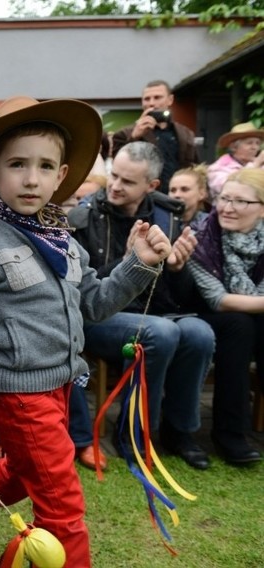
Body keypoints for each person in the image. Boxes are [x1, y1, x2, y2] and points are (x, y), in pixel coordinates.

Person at [0, 96, 172, 566]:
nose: (31, 178)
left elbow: (94, 303)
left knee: (24, 472)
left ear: (61, 176)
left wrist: (139, 264)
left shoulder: (64, 240)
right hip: (20, 398)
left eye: (45, 166)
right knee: (62, 509)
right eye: (17, 164)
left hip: (62, 386)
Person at [68, 141, 215, 471]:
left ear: (152, 186)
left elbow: (184, 297)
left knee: (199, 332)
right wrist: (126, 265)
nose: (116, 186)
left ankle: (180, 433)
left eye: (128, 181)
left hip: (159, 313)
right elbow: (80, 293)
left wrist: (178, 271)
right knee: (160, 333)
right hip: (100, 317)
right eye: (114, 175)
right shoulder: (84, 216)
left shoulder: (170, 217)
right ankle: (133, 436)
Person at [188, 168, 264, 465]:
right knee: (240, 325)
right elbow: (218, 300)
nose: (228, 208)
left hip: (250, 315)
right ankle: (229, 434)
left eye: (240, 202)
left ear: (261, 209)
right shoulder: (201, 238)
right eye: (224, 198)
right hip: (203, 316)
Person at [112, 79, 199, 194]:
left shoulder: (186, 133)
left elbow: (194, 168)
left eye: (157, 97)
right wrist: (134, 137)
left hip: (177, 196)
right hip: (144, 197)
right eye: (147, 99)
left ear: (170, 100)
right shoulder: (124, 133)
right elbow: (117, 166)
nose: (151, 103)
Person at [207, 122, 264, 198]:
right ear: (233, 147)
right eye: (249, 143)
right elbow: (231, 190)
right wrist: (255, 165)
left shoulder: (261, 166)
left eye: (257, 143)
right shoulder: (218, 168)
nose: (255, 147)